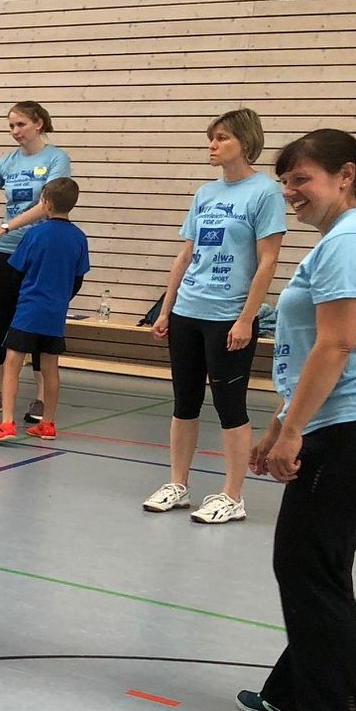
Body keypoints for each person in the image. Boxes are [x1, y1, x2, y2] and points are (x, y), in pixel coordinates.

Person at [244, 129, 356, 711]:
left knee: (309, 567)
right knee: (315, 564)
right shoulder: (341, 238)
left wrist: (293, 432)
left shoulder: (347, 240)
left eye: (302, 179)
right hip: (331, 421)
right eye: (285, 182)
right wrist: (280, 423)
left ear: (346, 175)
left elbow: (337, 345)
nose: (290, 192)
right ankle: (293, 690)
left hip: (344, 428)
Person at [144, 108, 287, 524]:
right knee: (184, 403)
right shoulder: (205, 194)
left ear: (245, 142)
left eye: (222, 138)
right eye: (212, 137)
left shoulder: (265, 193)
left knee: (230, 407)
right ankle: (178, 484)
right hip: (188, 311)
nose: (212, 145)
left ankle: (232, 495)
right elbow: (186, 255)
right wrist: (166, 309)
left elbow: (268, 261)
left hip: (228, 317)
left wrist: (245, 318)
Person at [0, 101, 73, 415]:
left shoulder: (56, 159)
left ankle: (40, 395)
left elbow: (48, 205)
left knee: (38, 322)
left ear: (38, 123)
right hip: (9, 253)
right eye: (11, 126)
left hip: (40, 251)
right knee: (3, 319)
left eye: (20, 124)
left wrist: (4, 227)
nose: (15, 131)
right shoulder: (8, 161)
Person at [0, 178, 88, 443]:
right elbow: (78, 278)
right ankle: (48, 423)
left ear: (46, 203)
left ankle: (7, 423)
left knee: (12, 364)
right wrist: (61, 299)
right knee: (50, 367)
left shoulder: (34, 234)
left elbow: (16, 271)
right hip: (55, 313)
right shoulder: (79, 237)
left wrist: (23, 296)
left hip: (29, 310)